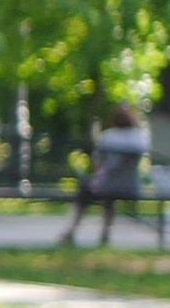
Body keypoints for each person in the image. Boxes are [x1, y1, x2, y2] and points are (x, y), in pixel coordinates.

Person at [63, 97, 149, 246]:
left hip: (107, 185)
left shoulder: (107, 136)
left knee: (86, 190)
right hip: (130, 187)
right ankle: (105, 232)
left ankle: (72, 230)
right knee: (107, 194)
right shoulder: (138, 138)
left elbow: (98, 164)